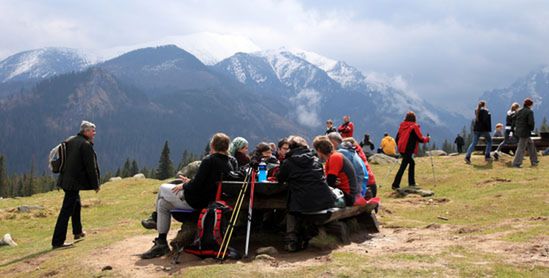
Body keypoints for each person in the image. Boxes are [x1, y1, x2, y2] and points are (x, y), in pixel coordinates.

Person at [140, 133, 237, 259]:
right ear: (227, 147)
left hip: (196, 200)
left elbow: (197, 185)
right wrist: (189, 182)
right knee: (162, 204)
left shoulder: (209, 160)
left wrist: (185, 185)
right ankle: (161, 242)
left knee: (163, 188)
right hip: (209, 201)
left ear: (212, 145)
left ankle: (155, 218)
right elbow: (205, 181)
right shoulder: (228, 163)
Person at [277, 136, 336, 252]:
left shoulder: (288, 162)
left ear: (291, 148)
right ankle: (307, 235)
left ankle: (291, 238)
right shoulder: (315, 160)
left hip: (302, 206)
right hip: (324, 202)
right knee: (300, 200)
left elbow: (280, 179)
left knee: (292, 206)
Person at [52, 121, 100, 249]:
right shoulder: (85, 145)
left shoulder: (72, 140)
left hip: (66, 179)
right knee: (66, 211)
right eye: (92, 130)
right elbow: (91, 167)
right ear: (85, 131)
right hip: (73, 182)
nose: (94, 133)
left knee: (76, 203)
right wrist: (96, 184)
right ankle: (57, 242)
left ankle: (77, 232)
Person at [313, 136, 363, 206]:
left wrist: (327, 180)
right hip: (342, 194)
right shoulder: (333, 157)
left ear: (319, 150)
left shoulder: (335, 157)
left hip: (346, 197)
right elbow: (330, 181)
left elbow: (330, 182)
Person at [392, 112, 430, 190]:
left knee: (410, 164)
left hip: (402, 149)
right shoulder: (414, 127)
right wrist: (428, 139)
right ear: (414, 118)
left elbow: (396, 138)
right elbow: (420, 139)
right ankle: (397, 184)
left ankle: (410, 183)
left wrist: (400, 146)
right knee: (405, 166)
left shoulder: (402, 126)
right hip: (408, 149)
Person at [326, 132, 368, 199]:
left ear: (332, 142)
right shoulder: (348, 149)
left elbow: (332, 177)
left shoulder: (341, 152)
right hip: (362, 185)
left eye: (327, 142)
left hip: (354, 190)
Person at [512, 98, 539, 167]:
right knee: (521, 148)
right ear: (530, 105)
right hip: (525, 132)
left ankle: (534, 161)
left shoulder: (519, 110)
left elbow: (514, 119)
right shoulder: (529, 112)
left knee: (531, 144)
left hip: (519, 131)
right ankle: (516, 163)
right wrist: (531, 129)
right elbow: (531, 122)